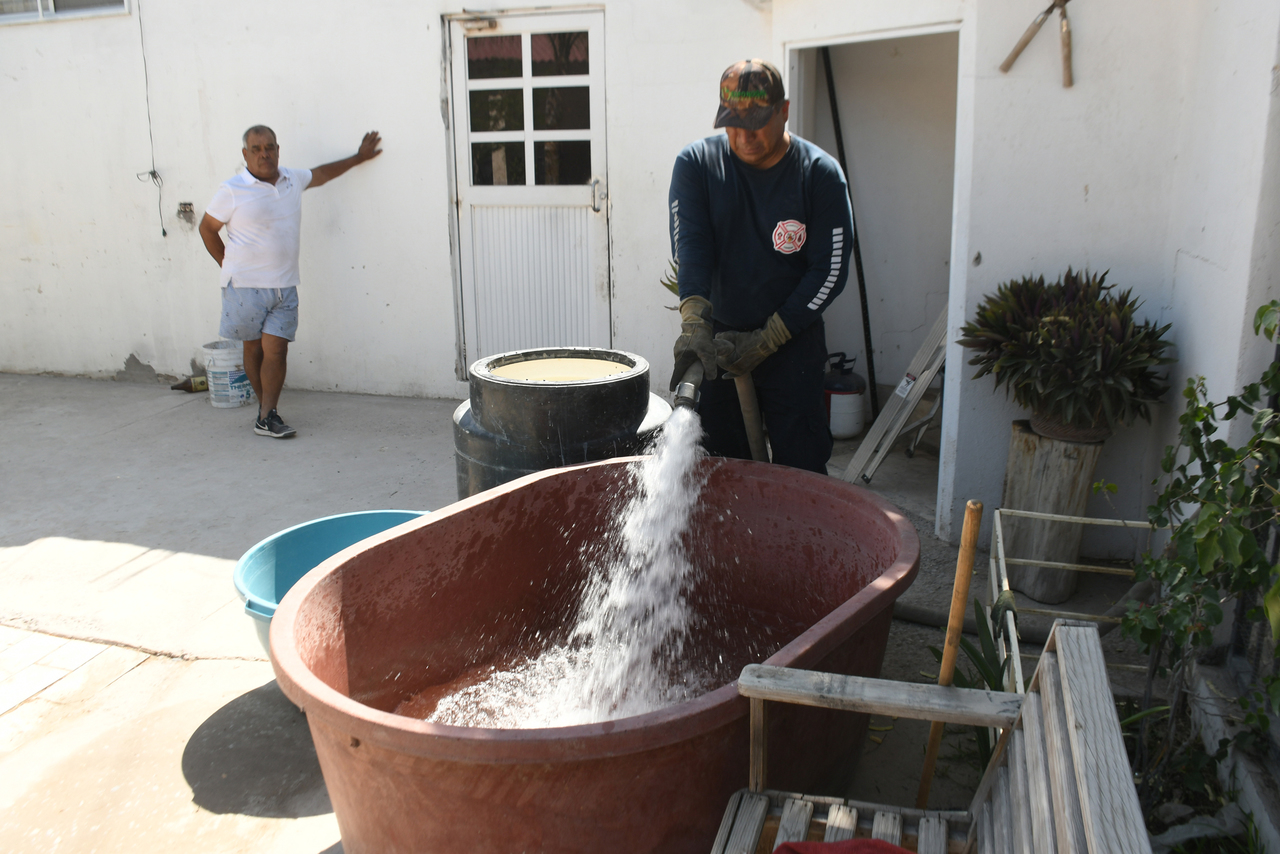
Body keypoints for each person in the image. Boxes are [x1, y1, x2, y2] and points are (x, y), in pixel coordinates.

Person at [668, 59, 853, 473]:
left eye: (756, 122)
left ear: (784, 111)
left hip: (792, 342)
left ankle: (798, 536)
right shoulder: (698, 165)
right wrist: (695, 323)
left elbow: (829, 272)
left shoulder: (818, 175)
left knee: (801, 463)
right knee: (722, 467)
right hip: (720, 341)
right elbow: (692, 247)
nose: (744, 135)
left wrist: (769, 339)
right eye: (732, 122)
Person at [198, 126, 382, 438]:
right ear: (245, 154)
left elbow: (322, 173)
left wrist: (359, 158)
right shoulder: (232, 189)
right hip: (244, 287)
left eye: (269, 147)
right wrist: (227, 263)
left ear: (278, 149)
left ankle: (268, 414)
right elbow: (206, 228)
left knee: (277, 350)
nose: (263, 153)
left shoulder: (291, 180)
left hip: (284, 286)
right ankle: (266, 413)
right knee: (253, 349)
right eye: (255, 149)